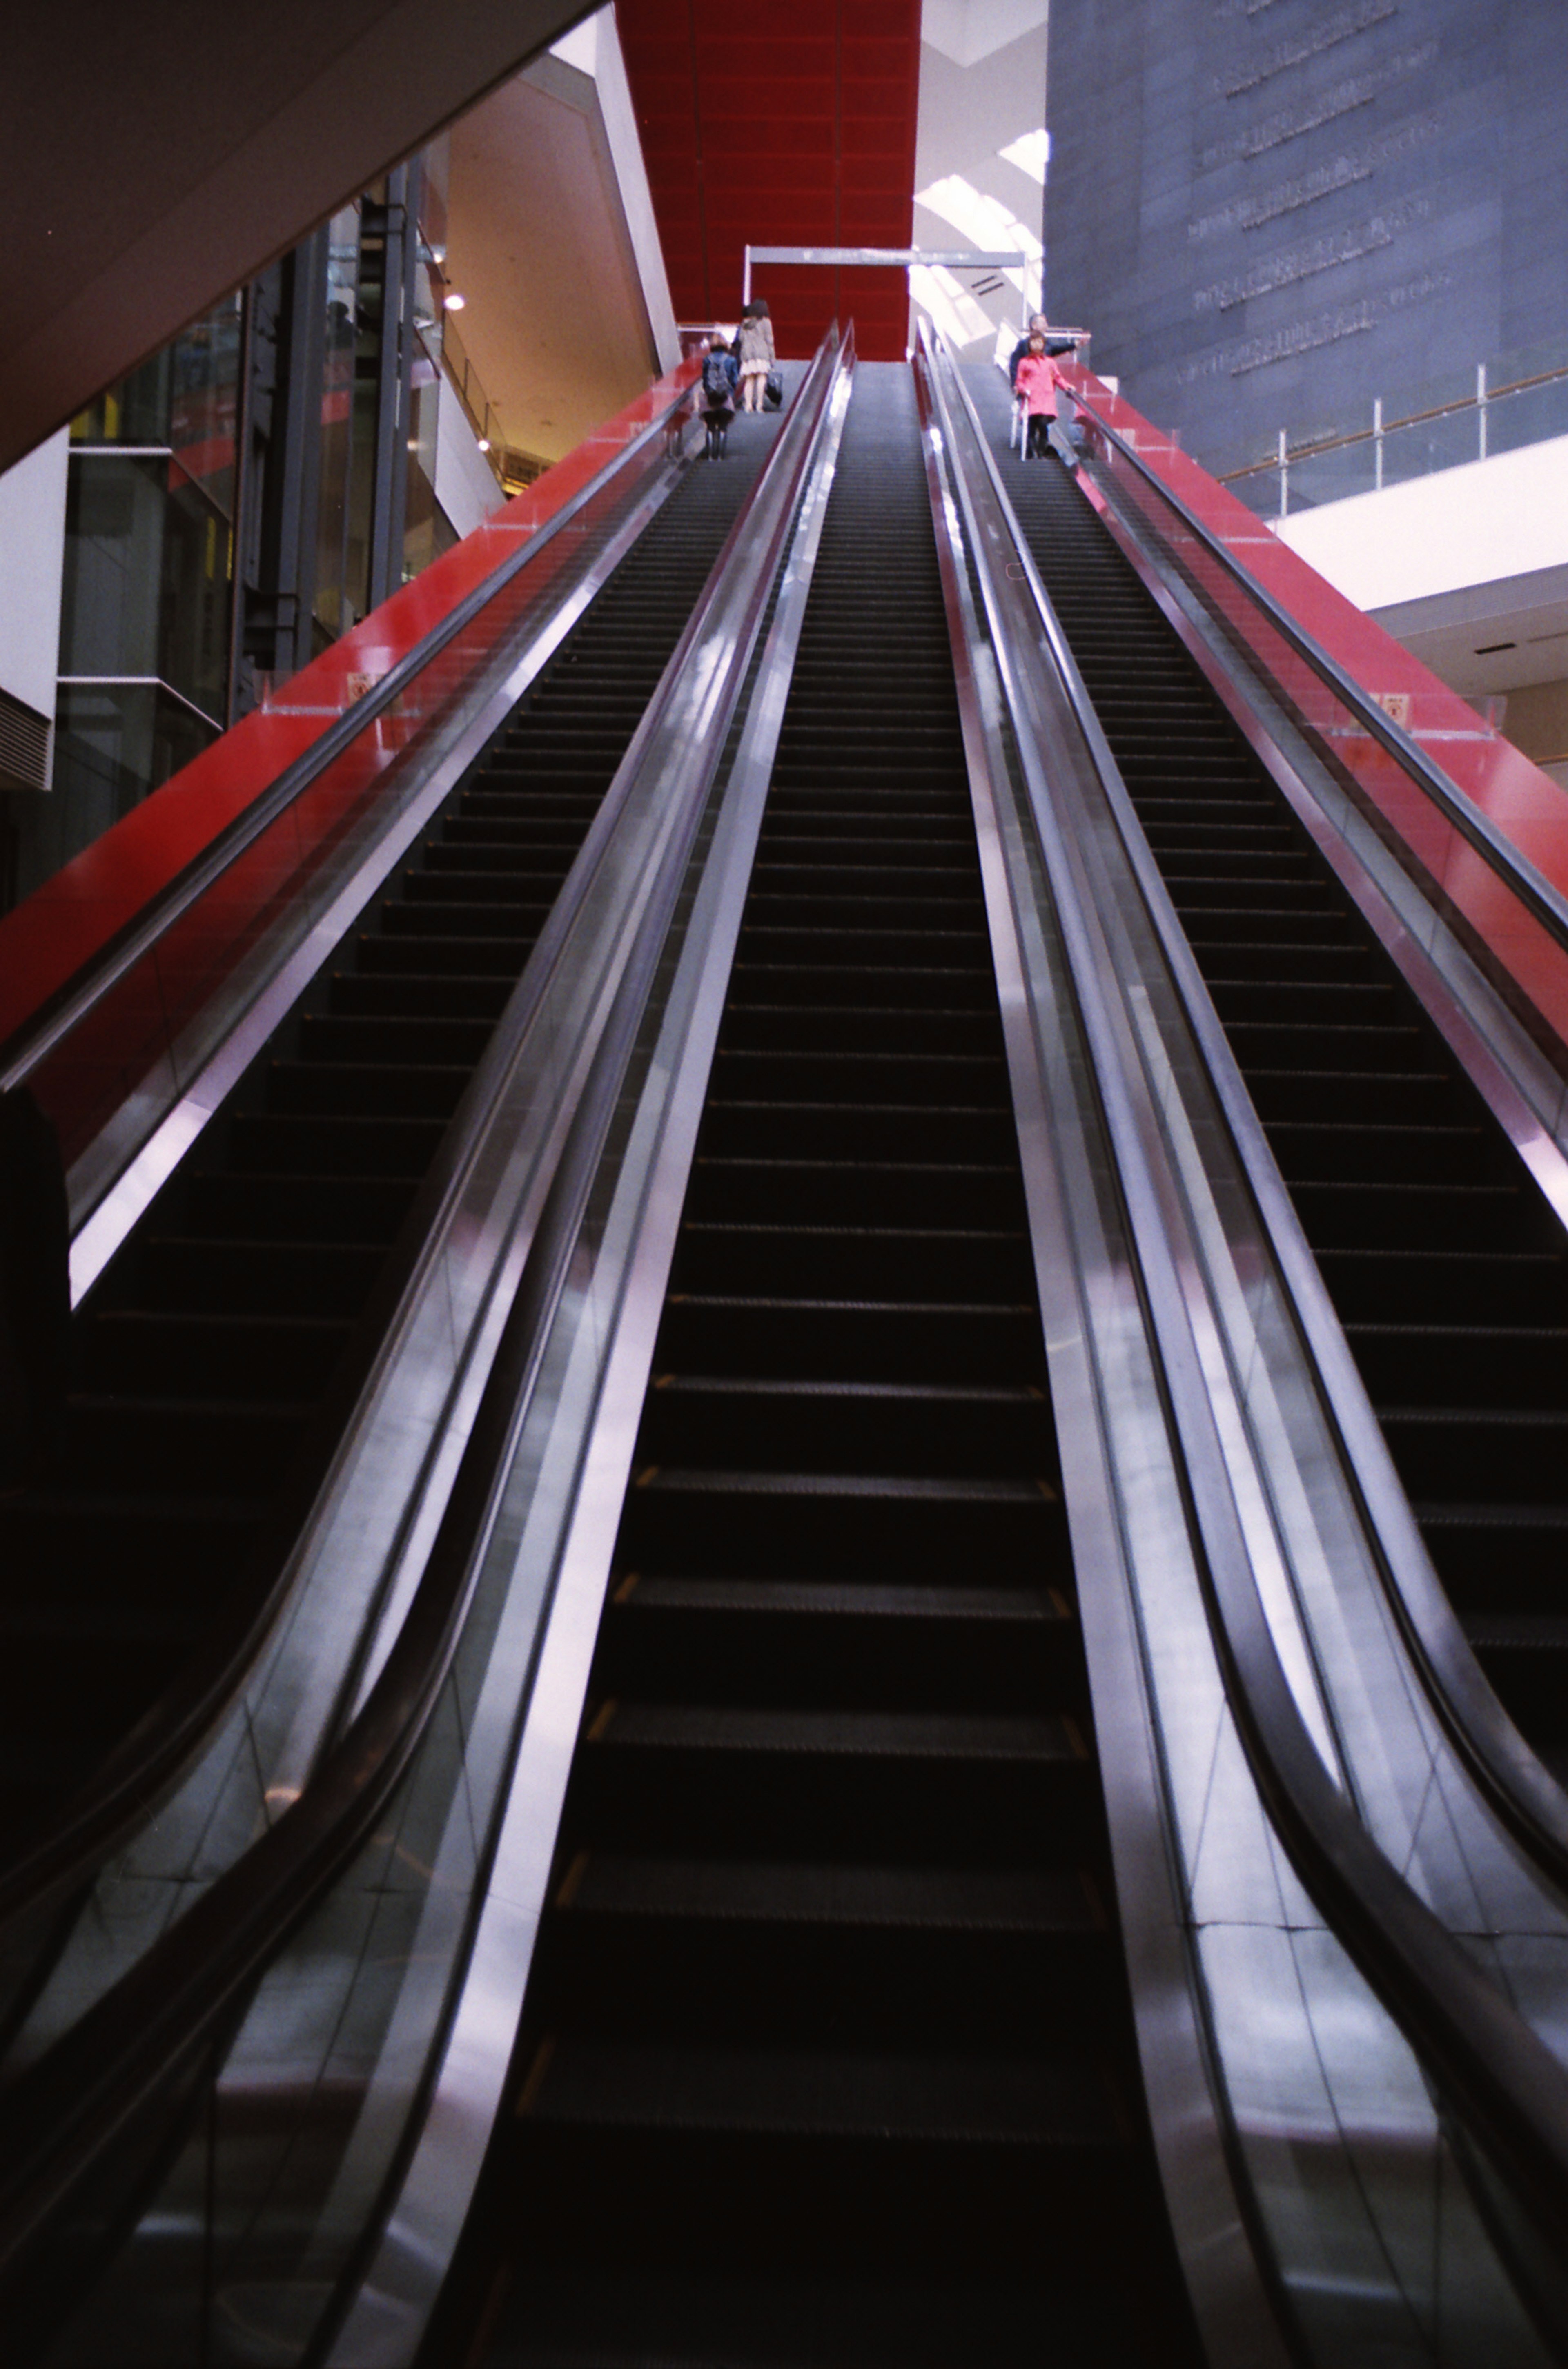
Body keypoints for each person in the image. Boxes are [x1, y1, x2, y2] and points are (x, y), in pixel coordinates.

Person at [1013, 329, 1067, 461]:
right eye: (1034, 342)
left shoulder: (1050, 362)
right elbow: (1019, 382)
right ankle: (1032, 453)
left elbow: (1058, 378)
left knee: (1043, 424)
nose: (1037, 345)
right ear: (1030, 344)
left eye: (1040, 342)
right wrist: (1024, 390)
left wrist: (1067, 387)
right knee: (1031, 427)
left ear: (1044, 344)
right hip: (1032, 399)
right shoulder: (1024, 362)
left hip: (1047, 400)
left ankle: (1040, 451)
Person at [699, 334, 738, 458]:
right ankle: (721, 455)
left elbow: (705, 380)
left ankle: (710, 455)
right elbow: (734, 381)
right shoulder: (731, 360)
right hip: (725, 399)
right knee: (723, 427)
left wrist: (709, 392)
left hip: (710, 399)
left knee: (710, 427)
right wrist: (729, 392)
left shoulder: (707, 360)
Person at [735, 299, 776, 413]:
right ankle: (759, 405)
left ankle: (748, 405)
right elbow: (769, 340)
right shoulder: (765, 322)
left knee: (749, 379)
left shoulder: (745, 323)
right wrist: (772, 357)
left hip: (748, 354)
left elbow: (741, 339)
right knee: (761, 378)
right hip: (762, 353)